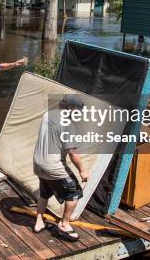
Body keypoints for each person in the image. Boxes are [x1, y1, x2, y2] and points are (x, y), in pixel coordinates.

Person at [32, 95, 89, 242]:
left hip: (38, 164)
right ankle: (64, 224)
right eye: (78, 111)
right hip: (53, 167)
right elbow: (72, 153)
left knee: (45, 192)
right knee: (74, 192)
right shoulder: (68, 124)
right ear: (71, 108)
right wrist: (82, 170)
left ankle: (39, 221)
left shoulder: (48, 114)